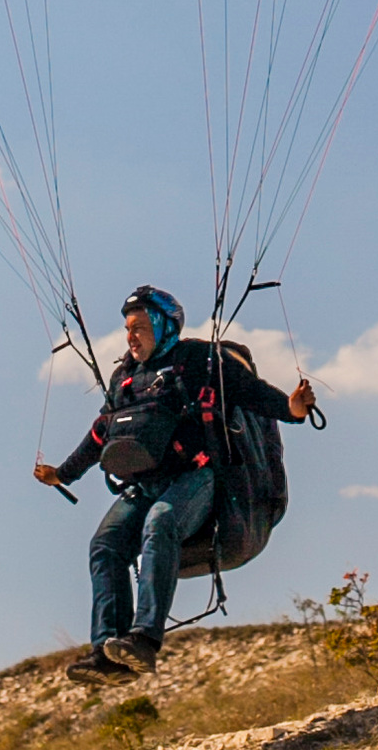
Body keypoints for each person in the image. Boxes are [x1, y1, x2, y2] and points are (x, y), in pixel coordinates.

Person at [35, 283, 316, 675]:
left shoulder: (201, 362)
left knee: (161, 521)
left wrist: (292, 408)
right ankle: (107, 653)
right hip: (144, 485)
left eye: (140, 327)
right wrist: (63, 473)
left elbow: (253, 394)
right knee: (106, 543)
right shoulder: (125, 378)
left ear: (165, 325)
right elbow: (101, 433)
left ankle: (144, 639)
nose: (131, 336)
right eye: (128, 329)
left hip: (196, 478)